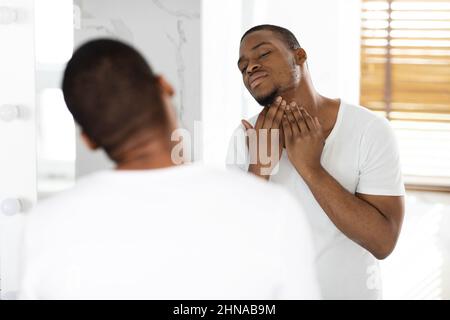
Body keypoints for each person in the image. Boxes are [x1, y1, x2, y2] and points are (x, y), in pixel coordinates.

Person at [19, 39, 320, 299]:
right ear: (165, 86)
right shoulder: (274, 210)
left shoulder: (45, 224)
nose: (252, 68)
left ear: (87, 139)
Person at [227, 25, 405, 299]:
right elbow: (236, 244)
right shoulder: (246, 137)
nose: (250, 68)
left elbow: (382, 243)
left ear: (299, 55)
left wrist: (311, 169)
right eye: (242, 67)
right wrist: (259, 169)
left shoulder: (369, 129)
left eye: (263, 54)